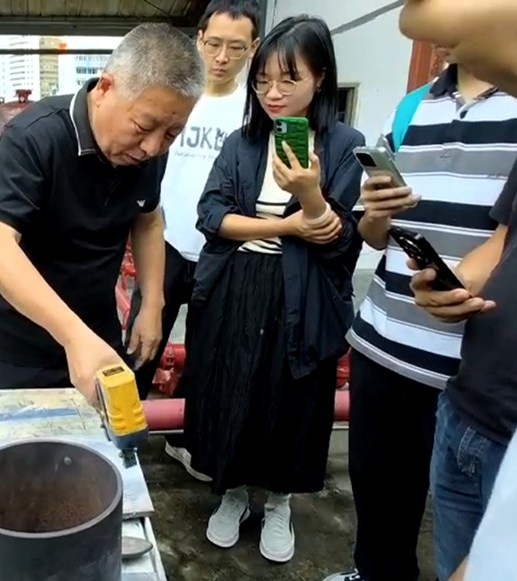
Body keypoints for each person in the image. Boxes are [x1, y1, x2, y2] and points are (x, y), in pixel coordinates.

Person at [325, 49, 517, 581]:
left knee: (474, 535)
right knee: (378, 497)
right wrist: (377, 213)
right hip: (382, 340)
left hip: (468, 366)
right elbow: (371, 234)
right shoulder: (411, 108)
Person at [185, 15, 365, 563]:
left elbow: (339, 241)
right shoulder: (241, 143)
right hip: (237, 286)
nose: (273, 93)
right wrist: (286, 225)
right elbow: (210, 214)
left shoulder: (343, 145)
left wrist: (309, 192)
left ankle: (280, 500)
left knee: (291, 399)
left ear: (321, 77)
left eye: (289, 79)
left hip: (301, 292)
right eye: (262, 81)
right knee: (232, 389)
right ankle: (233, 492)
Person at [0, 23, 203, 401]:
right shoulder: (34, 138)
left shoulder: (149, 152)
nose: (151, 147)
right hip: (23, 345)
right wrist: (73, 337)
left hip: (99, 332)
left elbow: (147, 219)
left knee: (106, 435)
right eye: (143, 126)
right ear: (105, 88)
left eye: (171, 134)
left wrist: (152, 302)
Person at [399, 1, 517, 577]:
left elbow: (422, 20)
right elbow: (502, 242)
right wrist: (450, 285)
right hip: (470, 404)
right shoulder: (417, 106)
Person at [121, 0, 260, 483]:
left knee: (206, 355)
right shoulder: (177, 98)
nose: (222, 57)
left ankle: (184, 439)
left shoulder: (253, 112)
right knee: (140, 344)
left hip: (223, 254)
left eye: (236, 48)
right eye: (214, 43)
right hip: (164, 245)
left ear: (253, 49)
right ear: (199, 40)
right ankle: (120, 435)